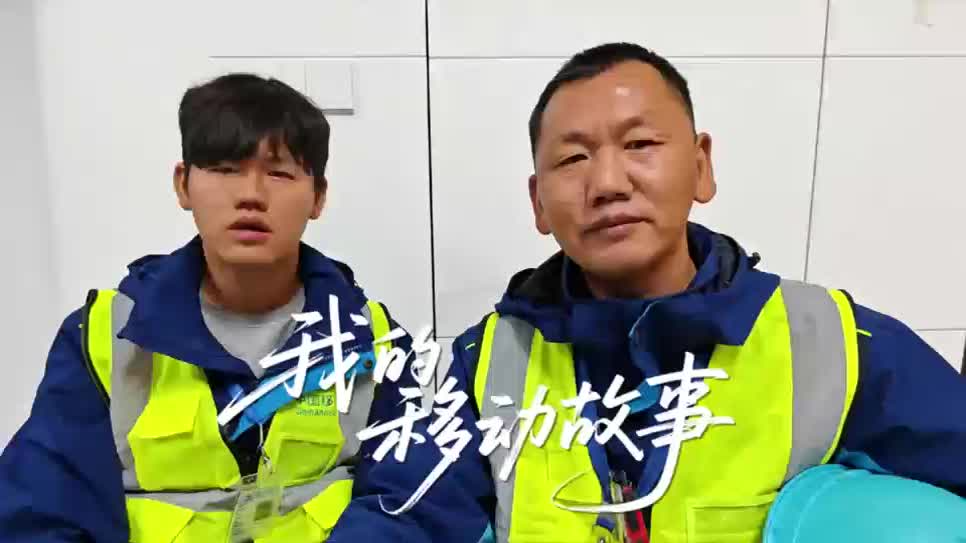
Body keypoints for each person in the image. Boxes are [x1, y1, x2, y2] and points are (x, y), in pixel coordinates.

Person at [327, 42, 966, 543]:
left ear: (701, 166)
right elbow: (406, 513)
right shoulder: (486, 361)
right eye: (573, 159)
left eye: (640, 144)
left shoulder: (836, 343)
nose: (608, 182)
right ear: (538, 201)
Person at [0, 73, 420, 542]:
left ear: (318, 197)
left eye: (280, 173)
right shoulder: (103, 339)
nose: (251, 195)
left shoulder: (374, 339)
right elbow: (44, 511)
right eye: (225, 169)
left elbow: (407, 502)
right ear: (183, 185)